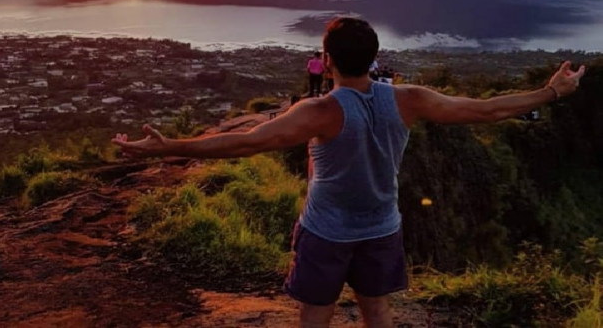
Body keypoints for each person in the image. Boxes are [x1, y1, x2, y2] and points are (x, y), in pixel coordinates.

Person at [112, 17, 585, 328]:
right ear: (375, 57)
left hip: (327, 231)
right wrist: (551, 92)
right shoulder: (408, 99)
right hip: (382, 226)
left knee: (316, 312)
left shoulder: (319, 110)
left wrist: (168, 147)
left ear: (328, 59)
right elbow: (484, 111)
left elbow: (247, 142)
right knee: (376, 308)